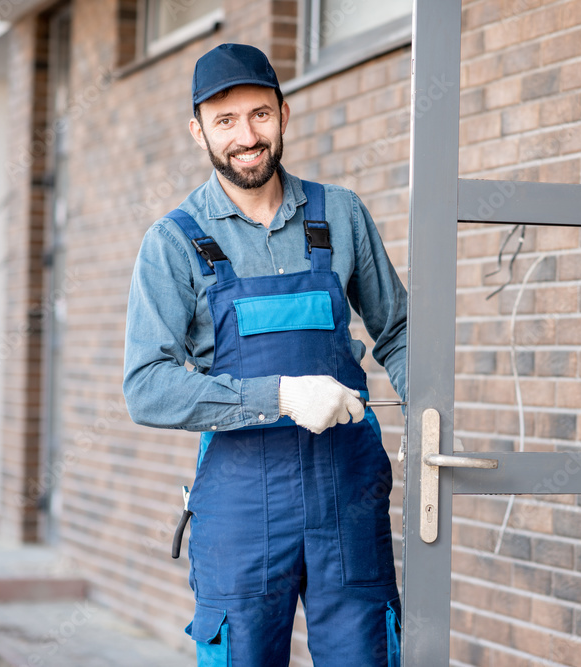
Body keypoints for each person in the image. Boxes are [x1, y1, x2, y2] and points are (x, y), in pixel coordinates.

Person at [122, 43, 406, 666]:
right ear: (198, 130)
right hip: (242, 507)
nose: (246, 136)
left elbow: (401, 329)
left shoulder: (342, 215)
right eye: (225, 121)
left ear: (284, 113)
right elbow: (146, 386)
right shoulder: (173, 243)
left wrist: (428, 412)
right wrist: (280, 395)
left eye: (259, 114)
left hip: (348, 495)